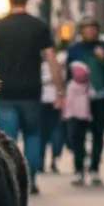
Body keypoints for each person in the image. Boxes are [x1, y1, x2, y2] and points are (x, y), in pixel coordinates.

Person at [0, 0, 63, 194]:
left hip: (6, 91)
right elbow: (52, 59)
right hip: (31, 92)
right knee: (33, 136)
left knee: (7, 139)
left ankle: (11, 180)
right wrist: (59, 89)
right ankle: (31, 179)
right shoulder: (38, 26)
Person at [63, 16, 104, 185]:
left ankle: (95, 168)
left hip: (99, 96)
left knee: (98, 134)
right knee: (78, 134)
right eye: (86, 28)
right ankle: (79, 168)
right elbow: (68, 74)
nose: (89, 31)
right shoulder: (74, 49)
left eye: (92, 28)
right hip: (79, 98)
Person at [40, 46, 66, 174]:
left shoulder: (33, 64)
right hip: (54, 98)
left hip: (40, 100)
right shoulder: (57, 64)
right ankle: (54, 160)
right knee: (56, 130)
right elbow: (61, 80)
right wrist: (60, 93)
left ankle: (41, 161)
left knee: (41, 132)